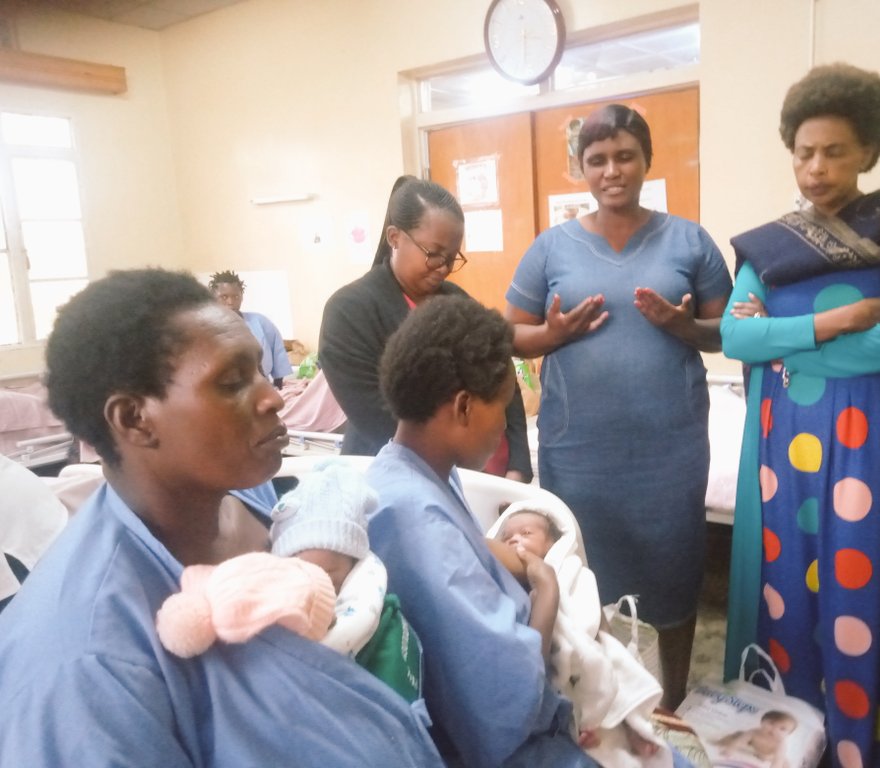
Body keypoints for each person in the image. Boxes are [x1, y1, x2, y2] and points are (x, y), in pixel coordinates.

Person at [0, 268, 443, 767]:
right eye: (232, 382)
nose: (272, 397)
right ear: (134, 419)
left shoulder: (241, 493)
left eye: (259, 370)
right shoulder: (86, 668)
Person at [720, 63, 880, 768]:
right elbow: (735, 337)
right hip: (781, 446)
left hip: (871, 446)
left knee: (863, 589)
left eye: (834, 151)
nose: (815, 168)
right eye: (803, 152)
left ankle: (860, 746)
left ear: (868, 152)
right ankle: (790, 740)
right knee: (784, 588)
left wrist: (788, 347)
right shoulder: (771, 246)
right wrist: (834, 325)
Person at [504, 104, 733, 708]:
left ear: (646, 161)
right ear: (581, 168)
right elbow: (509, 333)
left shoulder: (689, 240)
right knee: (582, 575)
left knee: (673, 572)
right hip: (579, 452)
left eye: (625, 156)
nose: (612, 170)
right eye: (597, 159)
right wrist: (552, 335)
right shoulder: (551, 248)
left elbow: (729, 332)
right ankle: (599, 703)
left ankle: (671, 704)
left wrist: (685, 327)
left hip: (669, 452)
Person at [365, 295, 598, 767]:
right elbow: (506, 700)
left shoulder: (411, 469)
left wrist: (520, 560)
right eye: (505, 407)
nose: (506, 427)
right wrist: (547, 592)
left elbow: (467, 547)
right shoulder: (418, 522)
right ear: (464, 406)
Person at [319, 175, 532, 481]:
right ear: (395, 237)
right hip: (407, 476)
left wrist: (518, 464)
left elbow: (502, 378)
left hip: (488, 472)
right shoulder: (350, 310)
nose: (444, 268)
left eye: (452, 257)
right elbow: (378, 418)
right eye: (433, 254)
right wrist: (459, 476)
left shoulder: (455, 300)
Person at [490, 501, 676, 768]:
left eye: (526, 533)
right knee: (575, 688)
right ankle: (585, 725)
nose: (514, 540)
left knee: (616, 668)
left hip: (584, 643)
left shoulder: (570, 571)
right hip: (548, 664)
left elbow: (591, 613)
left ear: (553, 544)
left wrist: (595, 635)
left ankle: (634, 727)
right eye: (506, 537)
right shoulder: (504, 580)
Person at [270, 457, 423, 703]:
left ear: (354, 570)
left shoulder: (384, 631)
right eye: (298, 574)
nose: (312, 590)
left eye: (329, 579)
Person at [209, 269, 292, 388]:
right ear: (213, 298)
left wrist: (278, 387)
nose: (231, 302)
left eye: (236, 296)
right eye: (224, 297)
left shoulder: (259, 322)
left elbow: (278, 354)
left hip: (262, 385)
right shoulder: (208, 329)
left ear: (242, 297)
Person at [713, 710, 797, 768]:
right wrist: (730, 749)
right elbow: (740, 741)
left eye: (782, 729)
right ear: (762, 722)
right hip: (753, 748)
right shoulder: (754, 732)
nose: (774, 729)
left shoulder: (780, 743)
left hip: (769, 756)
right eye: (771, 723)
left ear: (788, 734)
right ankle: (718, 741)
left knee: (785, 764)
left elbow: (778, 758)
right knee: (735, 736)